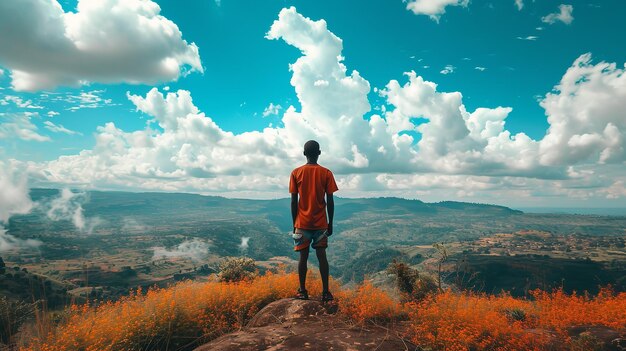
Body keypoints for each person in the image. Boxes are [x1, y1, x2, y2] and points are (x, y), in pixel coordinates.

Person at [289, 140, 338, 302]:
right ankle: (326, 292)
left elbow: (293, 201)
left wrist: (294, 223)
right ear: (319, 153)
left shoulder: (296, 173)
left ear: (304, 153)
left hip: (302, 223)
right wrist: (330, 222)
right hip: (320, 223)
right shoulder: (326, 173)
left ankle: (302, 291)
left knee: (303, 258)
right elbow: (330, 201)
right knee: (322, 257)